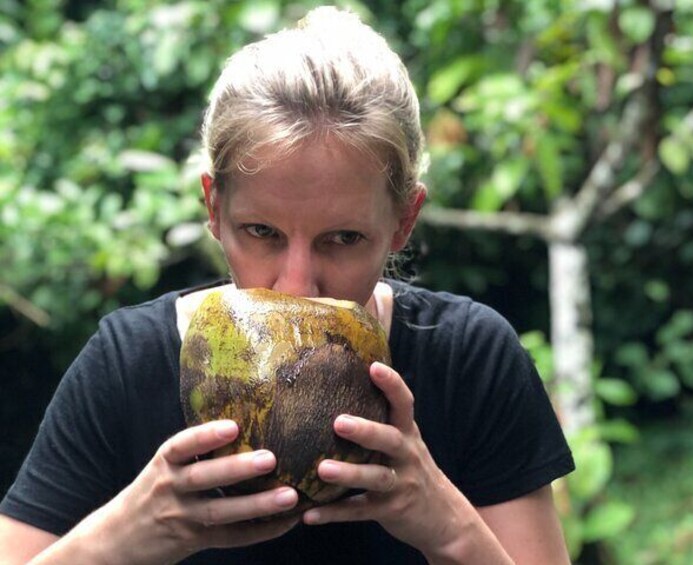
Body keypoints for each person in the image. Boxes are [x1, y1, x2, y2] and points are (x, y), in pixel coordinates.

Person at [0, 7, 574, 564]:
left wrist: (447, 527)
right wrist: (125, 537)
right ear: (213, 207)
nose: (297, 284)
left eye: (343, 238)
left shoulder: (468, 360)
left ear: (403, 221)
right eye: (262, 232)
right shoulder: (128, 364)